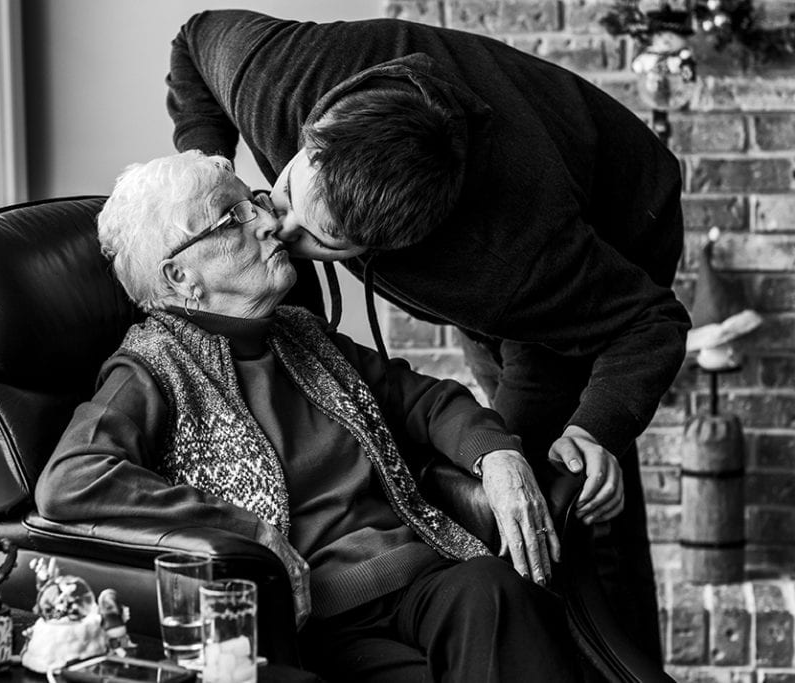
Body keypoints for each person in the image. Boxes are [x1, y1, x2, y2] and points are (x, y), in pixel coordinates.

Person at [165, 10, 692, 658]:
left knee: (556, 490)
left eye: (316, 239)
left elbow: (649, 320)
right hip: (522, 232)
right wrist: (207, 159)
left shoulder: (507, 263)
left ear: (394, 248)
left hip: (623, 213)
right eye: (294, 184)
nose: (277, 222)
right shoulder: (277, 74)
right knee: (505, 467)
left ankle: (616, 663)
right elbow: (194, 39)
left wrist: (597, 425)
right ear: (317, 130)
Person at [35, 151, 580, 682]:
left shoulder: (300, 332)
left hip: (425, 578)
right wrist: (249, 532)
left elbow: (423, 399)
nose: (269, 223)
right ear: (179, 275)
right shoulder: (151, 369)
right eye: (234, 219)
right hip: (317, 623)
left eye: (254, 205)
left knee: (493, 586)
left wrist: (498, 456)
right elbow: (73, 479)